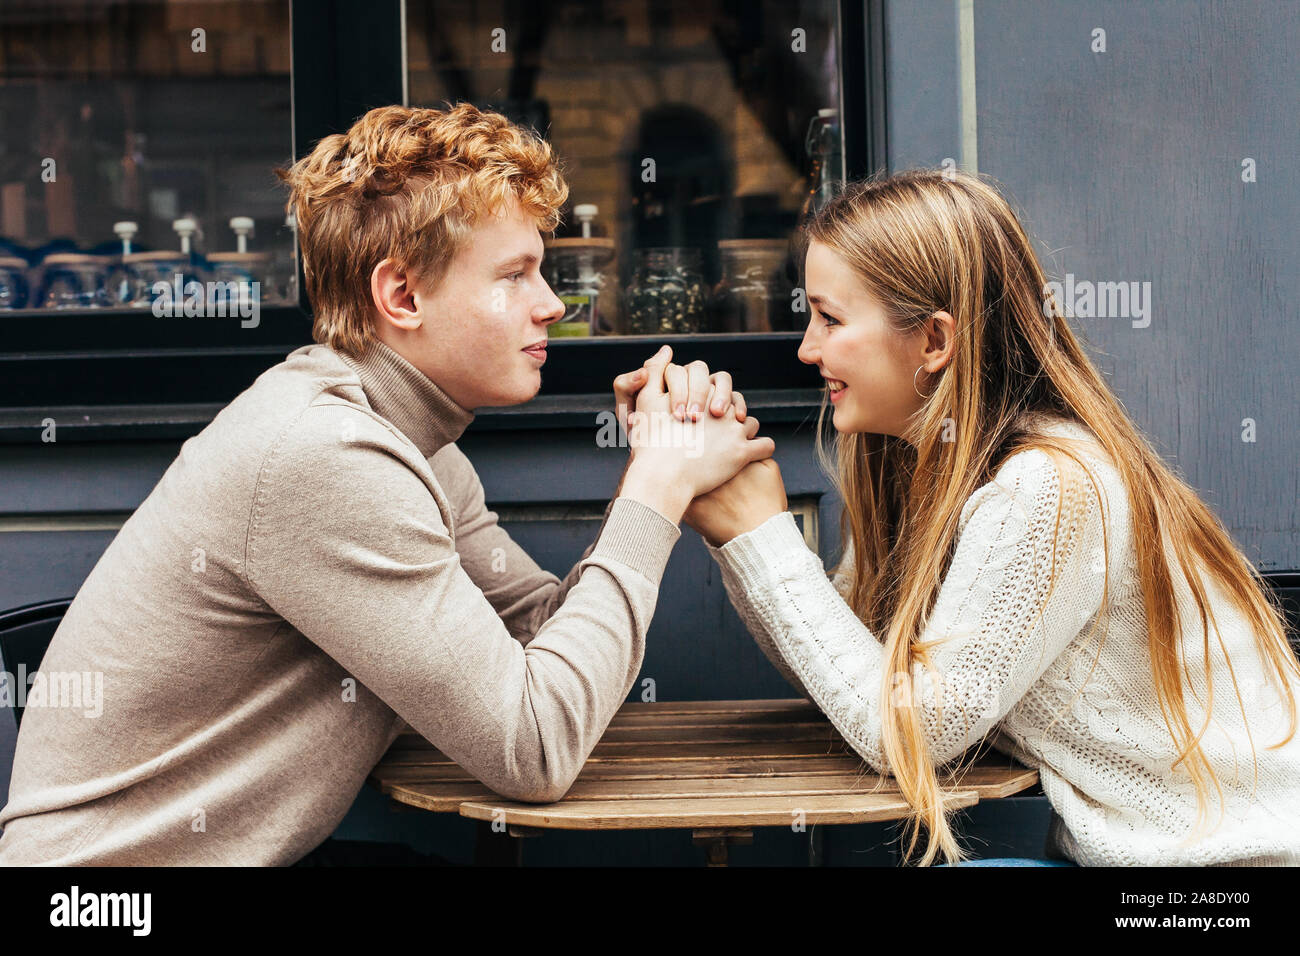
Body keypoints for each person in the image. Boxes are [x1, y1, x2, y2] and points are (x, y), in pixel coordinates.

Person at [0, 103, 771, 865]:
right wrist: (657, 493)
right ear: (401, 296)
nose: (554, 304)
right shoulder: (326, 456)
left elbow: (539, 637)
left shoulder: (411, 443)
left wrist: (653, 477)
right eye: (515, 275)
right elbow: (535, 747)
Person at [675, 169, 1300, 867]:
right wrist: (736, 532)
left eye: (830, 318)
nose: (807, 348)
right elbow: (853, 681)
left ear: (935, 341)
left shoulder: (1050, 485)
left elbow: (908, 734)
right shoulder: (922, 466)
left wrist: (765, 540)